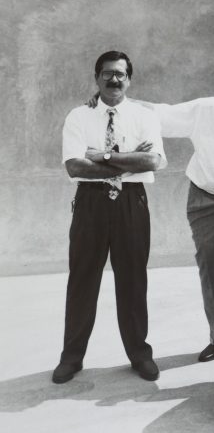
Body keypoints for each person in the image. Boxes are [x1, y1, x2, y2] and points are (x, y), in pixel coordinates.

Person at [89, 59, 214, 361]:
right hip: (206, 199)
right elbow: (160, 112)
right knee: (212, 269)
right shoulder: (206, 110)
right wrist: (114, 100)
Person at [54, 51, 167, 384]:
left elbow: (153, 161)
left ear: (129, 79)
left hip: (132, 203)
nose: (114, 79)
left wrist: (101, 156)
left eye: (120, 74)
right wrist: (128, 160)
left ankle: (139, 354)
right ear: (97, 78)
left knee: (133, 281)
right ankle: (71, 357)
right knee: (82, 280)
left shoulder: (144, 117)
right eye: (107, 73)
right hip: (90, 203)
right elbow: (75, 166)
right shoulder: (79, 116)